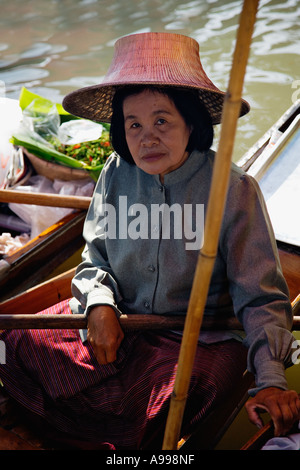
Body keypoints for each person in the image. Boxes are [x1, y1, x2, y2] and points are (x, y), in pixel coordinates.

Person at [0, 32, 299, 449]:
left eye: (162, 121)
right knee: (13, 344)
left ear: (191, 123)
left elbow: (261, 298)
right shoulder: (115, 173)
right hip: (122, 322)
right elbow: (94, 258)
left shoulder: (233, 190)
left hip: (197, 337)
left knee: (182, 395)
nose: (147, 137)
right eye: (134, 124)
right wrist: (100, 303)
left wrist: (269, 379)